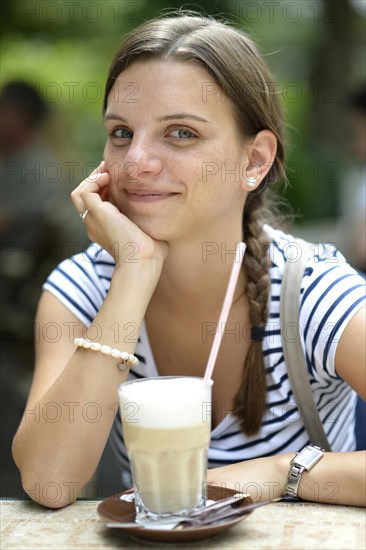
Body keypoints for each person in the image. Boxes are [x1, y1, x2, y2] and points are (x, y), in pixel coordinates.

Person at [12, 12, 365, 509]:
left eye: (181, 133)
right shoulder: (84, 288)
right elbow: (49, 481)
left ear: (254, 161)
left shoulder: (314, 293)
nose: (136, 161)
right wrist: (133, 271)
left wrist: (286, 471)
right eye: (120, 132)